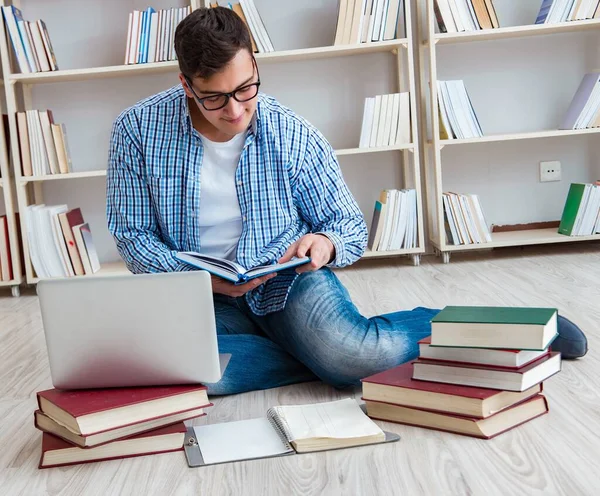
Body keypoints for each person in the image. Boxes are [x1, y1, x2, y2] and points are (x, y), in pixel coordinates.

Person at [106, 7, 587, 395]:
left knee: (356, 357)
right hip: (198, 294)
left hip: (285, 282)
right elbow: (133, 237)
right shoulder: (136, 130)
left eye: (246, 88)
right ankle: (317, 358)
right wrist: (201, 277)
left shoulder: (291, 132)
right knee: (196, 373)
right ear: (186, 83)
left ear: (255, 62)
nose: (235, 110)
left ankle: (464, 327)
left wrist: (323, 244)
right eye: (215, 98)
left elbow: (347, 226)